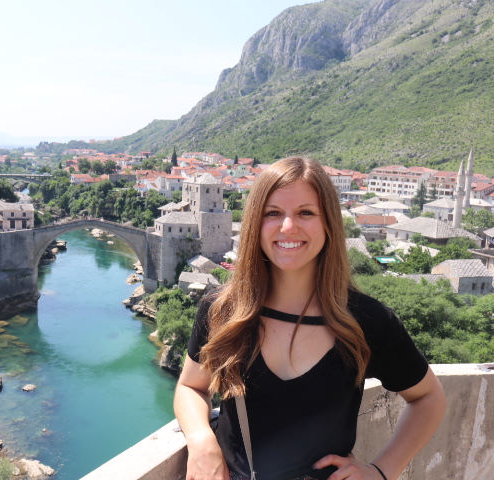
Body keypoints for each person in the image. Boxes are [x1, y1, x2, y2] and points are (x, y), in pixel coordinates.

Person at [174, 157, 446, 480]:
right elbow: (191, 387)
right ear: (255, 224)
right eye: (273, 213)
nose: (288, 227)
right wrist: (202, 440)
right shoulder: (223, 312)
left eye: (306, 213)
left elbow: (430, 399)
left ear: (328, 223)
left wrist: (381, 472)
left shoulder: (366, 322)